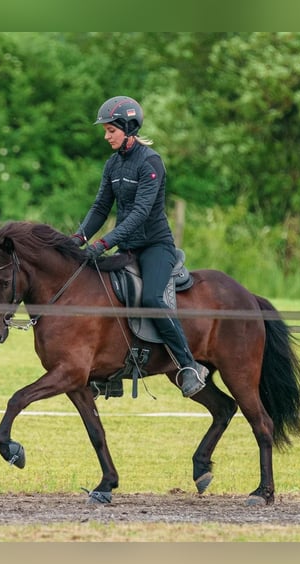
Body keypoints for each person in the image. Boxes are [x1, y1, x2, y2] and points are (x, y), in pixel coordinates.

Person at [71, 96, 207, 398]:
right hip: (127, 249)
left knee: (151, 298)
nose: (106, 137)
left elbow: (140, 213)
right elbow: (100, 208)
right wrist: (77, 240)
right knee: (104, 295)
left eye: (110, 131)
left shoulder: (150, 163)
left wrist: (105, 243)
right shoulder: (112, 163)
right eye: (106, 131)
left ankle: (188, 366)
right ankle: (111, 373)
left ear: (128, 127)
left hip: (155, 247)